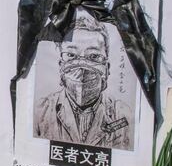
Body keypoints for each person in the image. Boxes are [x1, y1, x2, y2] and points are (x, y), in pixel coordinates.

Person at [35, 14, 133, 150]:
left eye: (93, 56)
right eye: (71, 55)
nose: (82, 66)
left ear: (107, 68)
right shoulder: (41, 112)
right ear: (60, 65)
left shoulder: (123, 114)